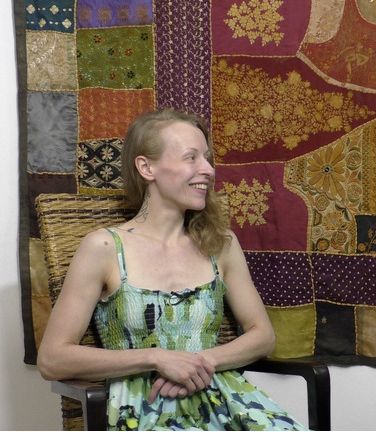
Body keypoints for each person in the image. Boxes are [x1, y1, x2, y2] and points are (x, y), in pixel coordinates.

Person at [38, 109, 306, 431]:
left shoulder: (220, 244)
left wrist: (199, 363)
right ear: (146, 167)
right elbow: (52, 359)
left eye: (207, 158)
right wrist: (157, 358)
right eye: (191, 158)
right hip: (143, 411)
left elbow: (263, 336)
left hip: (226, 402)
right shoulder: (104, 247)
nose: (208, 170)